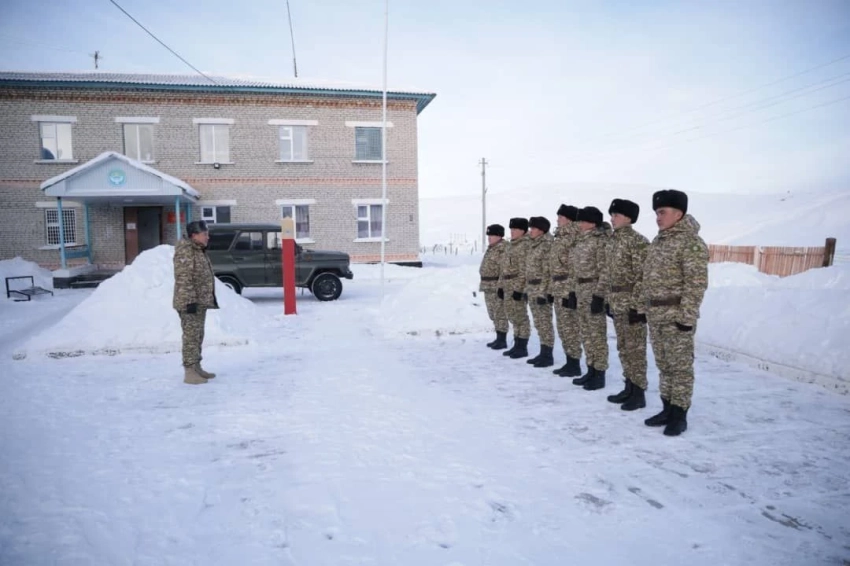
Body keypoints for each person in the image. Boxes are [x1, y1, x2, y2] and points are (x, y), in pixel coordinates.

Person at [639, 189, 709, 436]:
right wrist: (643, 307)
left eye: (662, 212)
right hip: (656, 315)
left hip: (676, 316)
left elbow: (695, 284)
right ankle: (667, 408)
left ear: (678, 214)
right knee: (664, 365)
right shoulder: (659, 241)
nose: (658, 218)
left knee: (680, 367)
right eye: (657, 213)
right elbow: (648, 279)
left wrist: (686, 317)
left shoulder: (691, 243)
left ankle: (679, 414)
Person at [601, 199, 650, 411]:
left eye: (616, 215)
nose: (612, 219)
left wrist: (638, 307)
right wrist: (606, 299)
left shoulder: (638, 241)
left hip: (631, 305)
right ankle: (629, 387)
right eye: (611, 215)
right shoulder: (612, 241)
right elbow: (607, 273)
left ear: (629, 218)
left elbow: (643, 277)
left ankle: (638, 393)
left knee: (635, 350)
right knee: (623, 347)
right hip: (617, 302)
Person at [568, 206, 611, 391]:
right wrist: (572, 291)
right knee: (586, 333)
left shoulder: (600, 241)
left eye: (582, 220)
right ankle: (591, 369)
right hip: (581, 291)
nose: (579, 224)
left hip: (593, 291)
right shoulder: (581, 240)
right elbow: (574, 269)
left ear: (592, 223)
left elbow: (605, 271)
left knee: (597, 335)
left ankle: (599, 373)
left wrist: (599, 296)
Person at [173, 220, 219, 385]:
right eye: (204, 234)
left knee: (198, 335)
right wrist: (190, 301)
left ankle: (196, 366)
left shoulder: (198, 249)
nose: (208, 237)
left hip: (199, 301)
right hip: (190, 303)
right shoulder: (186, 250)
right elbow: (184, 278)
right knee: (191, 337)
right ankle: (189, 371)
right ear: (194, 235)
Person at [549, 204, 583, 377]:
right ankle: (570, 361)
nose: (557, 220)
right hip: (558, 287)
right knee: (563, 327)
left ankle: (575, 363)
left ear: (569, 219)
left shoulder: (574, 237)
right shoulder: (561, 237)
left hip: (568, 288)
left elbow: (575, 266)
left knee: (570, 327)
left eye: (561, 217)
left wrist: (572, 291)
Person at [498, 218, 532, 359]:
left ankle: (522, 347)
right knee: (513, 316)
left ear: (523, 231)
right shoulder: (511, 245)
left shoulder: (524, 246)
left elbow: (524, 271)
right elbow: (504, 268)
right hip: (507, 285)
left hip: (516, 286)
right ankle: (517, 344)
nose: (512, 232)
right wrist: (501, 286)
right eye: (511, 229)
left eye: (515, 229)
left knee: (520, 317)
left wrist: (519, 289)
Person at [524, 216, 555, 368]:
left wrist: (544, 292)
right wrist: (526, 288)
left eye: (534, 228)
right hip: (532, 288)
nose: (531, 231)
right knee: (538, 323)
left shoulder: (547, 244)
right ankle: (543, 352)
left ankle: (548, 355)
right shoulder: (534, 244)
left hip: (541, 288)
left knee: (545, 322)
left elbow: (548, 271)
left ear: (542, 230)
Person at [479, 224, 509, 350]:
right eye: (488, 235)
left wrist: (501, 287)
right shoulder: (492, 248)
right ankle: (498, 337)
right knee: (493, 314)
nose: (489, 238)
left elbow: (504, 270)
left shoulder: (503, 249)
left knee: (500, 314)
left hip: (496, 286)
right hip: (488, 287)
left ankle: (502, 340)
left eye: (492, 235)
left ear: (499, 236)